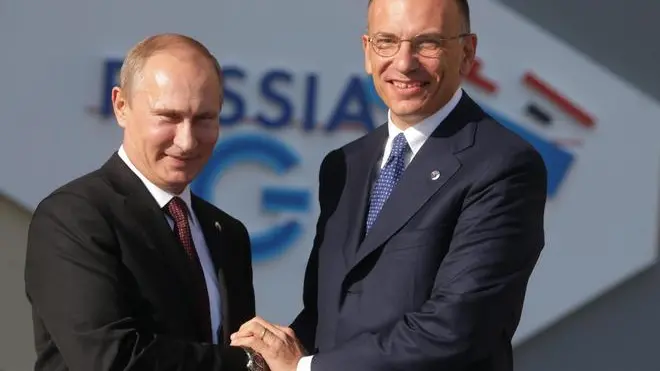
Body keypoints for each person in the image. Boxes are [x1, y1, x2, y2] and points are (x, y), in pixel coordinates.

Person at [230, 0, 548, 370]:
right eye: (387, 41)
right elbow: (329, 314)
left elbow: (456, 329)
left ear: (467, 52)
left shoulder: (502, 165)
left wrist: (305, 369)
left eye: (427, 43)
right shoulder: (344, 165)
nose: (404, 62)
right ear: (367, 51)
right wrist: (270, 352)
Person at [25, 34, 261, 370]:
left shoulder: (227, 233)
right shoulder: (73, 217)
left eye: (204, 119)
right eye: (168, 117)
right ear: (121, 106)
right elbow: (111, 360)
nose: (187, 140)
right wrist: (248, 363)